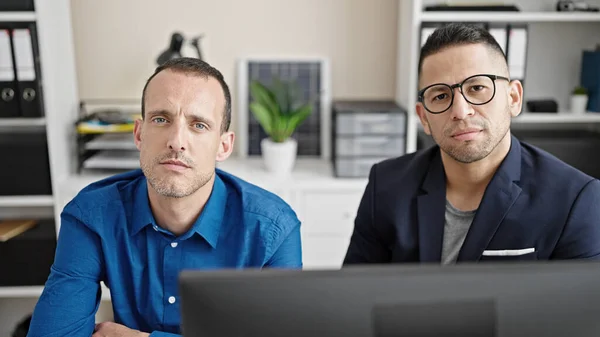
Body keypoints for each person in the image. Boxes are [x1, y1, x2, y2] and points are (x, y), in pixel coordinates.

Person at [27, 58, 302, 337]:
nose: (176, 141)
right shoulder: (91, 215)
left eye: (198, 125)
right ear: (139, 134)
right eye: (161, 119)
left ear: (224, 145)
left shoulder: (274, 228)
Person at [344, 23, 600, 265]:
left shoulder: (577, 199)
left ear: (513, 98)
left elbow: (577, 310)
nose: (460, 110)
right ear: (424, 117)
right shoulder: (386, 185)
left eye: (477, 87)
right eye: (441, 95)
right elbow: (356, 296)